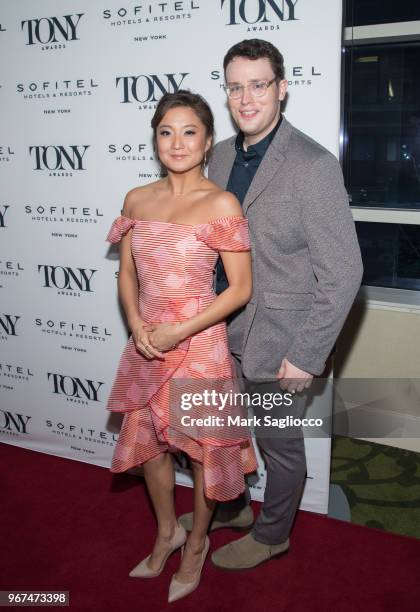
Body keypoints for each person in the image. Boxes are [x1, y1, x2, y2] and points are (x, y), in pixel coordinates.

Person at [179, 39, 364, 570]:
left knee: (280, 447)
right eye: (236, 87)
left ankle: (273, 532)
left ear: (282, 89)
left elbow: (345, 271)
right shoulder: (216, 157)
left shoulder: (313, 165)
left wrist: (308, 354)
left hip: (279, 339)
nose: (246, 98)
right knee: (222, 431)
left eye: (258, 84)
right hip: (219, 330)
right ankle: (235, 507)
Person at [105, 90, 257, 602]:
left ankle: (195, 545)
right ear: (155, 139)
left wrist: (179, 330)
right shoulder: (137, 199)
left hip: (200, 344)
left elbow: (239, 288)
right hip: (147, 342)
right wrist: (135, 323)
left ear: (208, 140)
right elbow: (126, 275)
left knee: (204, 455)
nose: (176, 142)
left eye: (189, 131)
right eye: (166, 131)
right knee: (150, 448)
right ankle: (166, 531)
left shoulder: (221, 203)